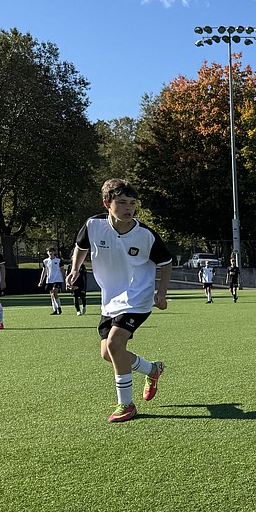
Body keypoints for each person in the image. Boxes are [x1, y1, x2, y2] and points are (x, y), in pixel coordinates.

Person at [67, 178, 171, 423]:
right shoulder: (93, 226)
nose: (129, 208)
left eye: (133, 203)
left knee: (114, 344)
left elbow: (165, 263)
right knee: (108, 353)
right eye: (122, 202)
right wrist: (75, 269)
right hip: (111, 299)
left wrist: (162, 293)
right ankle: (151, 369)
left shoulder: (145, 234)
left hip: (138, 298)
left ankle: (126, 405)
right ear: (107, 203)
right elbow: (80, 247)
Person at [38, 246, 65, 315]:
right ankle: (55, 309)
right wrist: (41, 281)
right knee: (51, 295)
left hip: (57, 279)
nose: (50, 253)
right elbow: (44, 271)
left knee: (54, 292)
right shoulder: (45, 261)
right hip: (49, 280)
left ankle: (59, 307)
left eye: (52, 251)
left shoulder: (58, 260)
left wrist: (64, 278)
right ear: (47, 253)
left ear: (54, 252)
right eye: (49, 251)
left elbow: (62, 270)